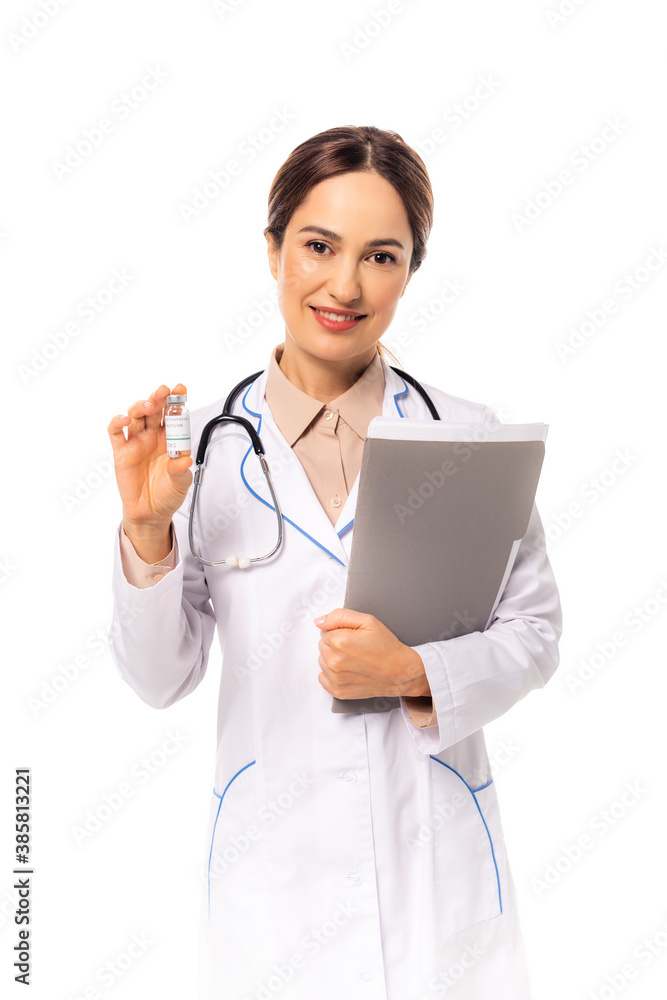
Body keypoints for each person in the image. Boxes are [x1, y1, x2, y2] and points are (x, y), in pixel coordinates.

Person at [107, 125, 562, 1000]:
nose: (345, 286)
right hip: (272, 875)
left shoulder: (464, 434)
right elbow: (158, 679)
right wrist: (147, 533)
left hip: (433, 861)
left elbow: (535, 632)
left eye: (381, 256)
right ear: (273, 247)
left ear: (409, 271)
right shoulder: (194, 450)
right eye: (318, 246)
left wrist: (417, 671)